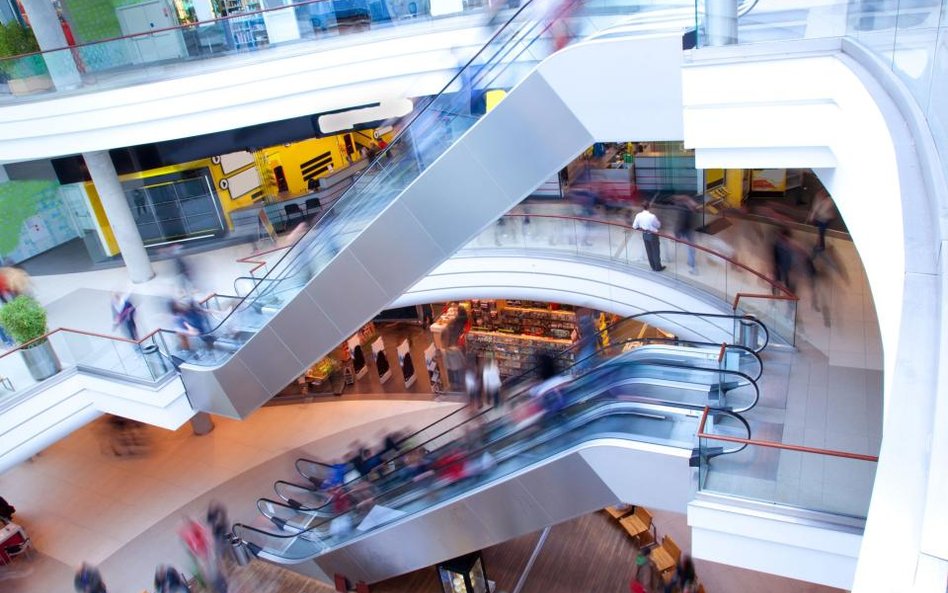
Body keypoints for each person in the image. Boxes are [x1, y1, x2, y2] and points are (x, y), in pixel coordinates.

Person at [631, 201, 665, 271]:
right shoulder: (652, 216)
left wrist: (641, 227)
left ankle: (652, 266)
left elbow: (634, 226)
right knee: (655, 251)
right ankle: (658, 267)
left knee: (649, 250)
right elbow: (658, 225)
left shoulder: (638, 215)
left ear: (642, 207)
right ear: (649, 207)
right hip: (653, 235)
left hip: (645, 234)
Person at [672, 194, 699, 274]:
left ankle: (692, 265)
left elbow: (680, 222)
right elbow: (680, 222)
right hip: (687, 230)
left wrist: (677, 234)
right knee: (691, 248)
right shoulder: (686, 208)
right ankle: (692, 265)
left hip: (686, 230)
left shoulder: (684, 208)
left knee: (691, 248)